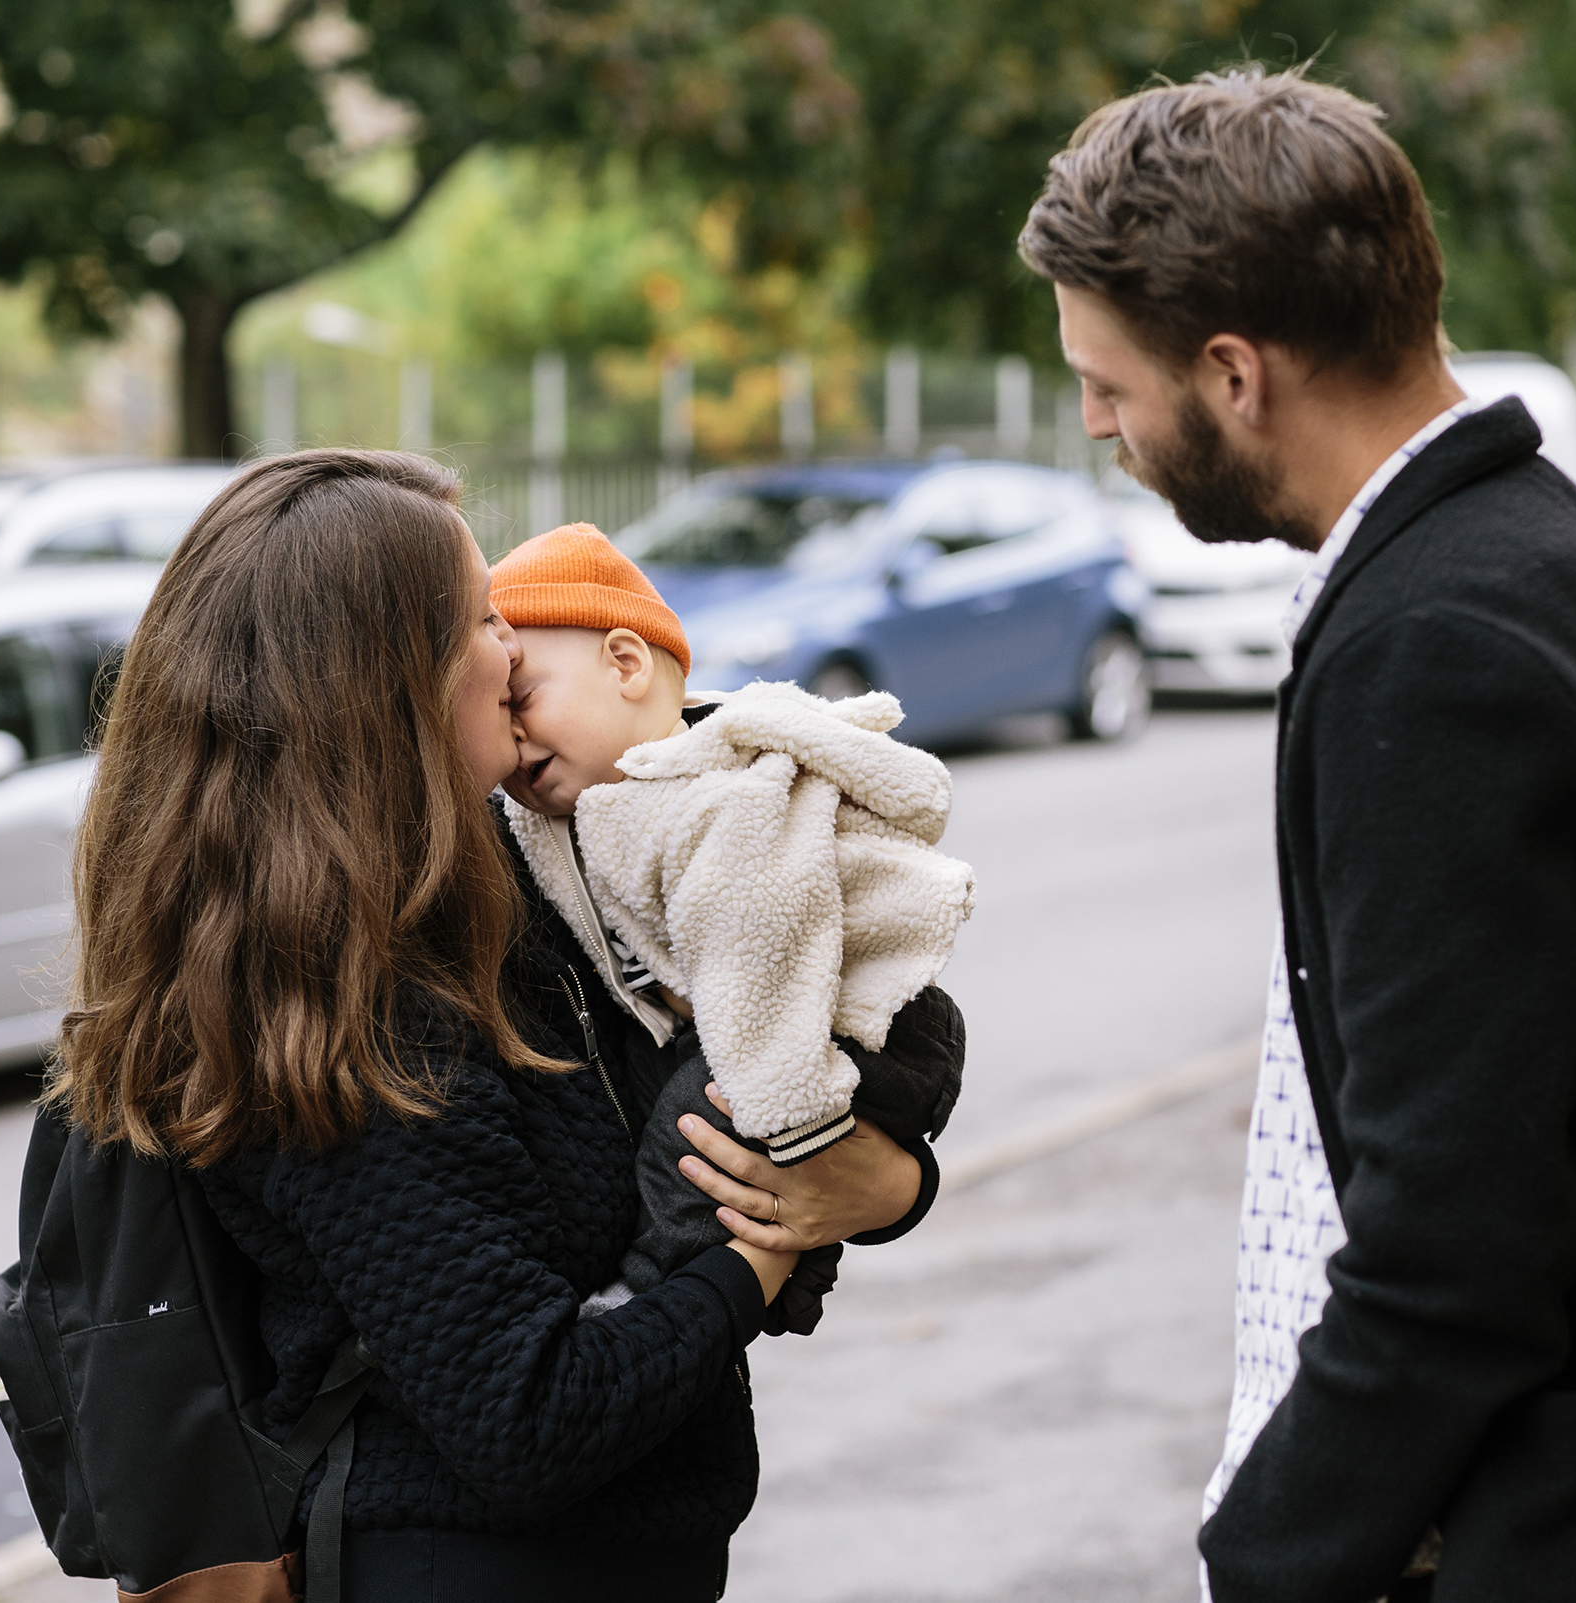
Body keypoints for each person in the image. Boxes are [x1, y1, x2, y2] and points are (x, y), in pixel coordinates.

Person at [1018, 67, 1576, 1603]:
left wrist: (1266, 1552)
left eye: (1109, 383)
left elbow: (1457, 1246)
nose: (1098, 424)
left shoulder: (1437, 648)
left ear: (1235, 372)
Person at [46, 450, 935, 1602]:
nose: (513, 644)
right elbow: (530, 1419)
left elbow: (787, 1053)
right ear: (383, 681)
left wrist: (887, 1186)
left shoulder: (510, 885)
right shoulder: (335, 1005)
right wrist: (763, 1249)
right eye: (478, 620)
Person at [488, 522, 971, 1326]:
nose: (512, 740)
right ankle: (779, 1280)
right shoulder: (576, 810)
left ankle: (639, 1296)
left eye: (525, 699)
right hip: (800, 1036)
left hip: (860, 1029)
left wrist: (797, 1124)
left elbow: (762, 955)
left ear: (625, 663)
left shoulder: (719, 801)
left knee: (689, 1135)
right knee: (711, 1134)